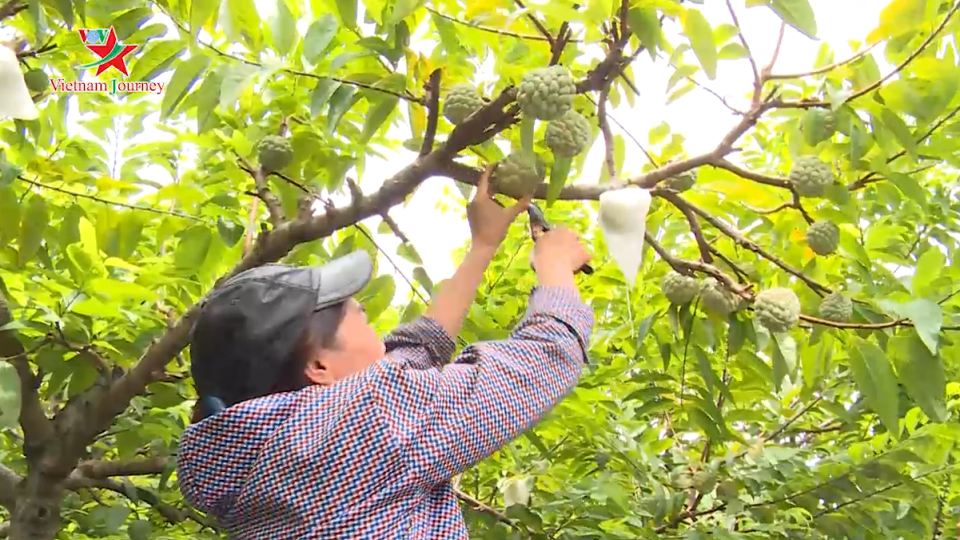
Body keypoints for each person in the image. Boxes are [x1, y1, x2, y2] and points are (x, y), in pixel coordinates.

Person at [176, 166, 596, 539]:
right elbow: (544, 359)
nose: (363, 311)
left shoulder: (256, 461)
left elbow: (415, 350)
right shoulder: (370, 422)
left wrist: (484, 245)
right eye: (351, 313)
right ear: (319, 366)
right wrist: (555, 266)